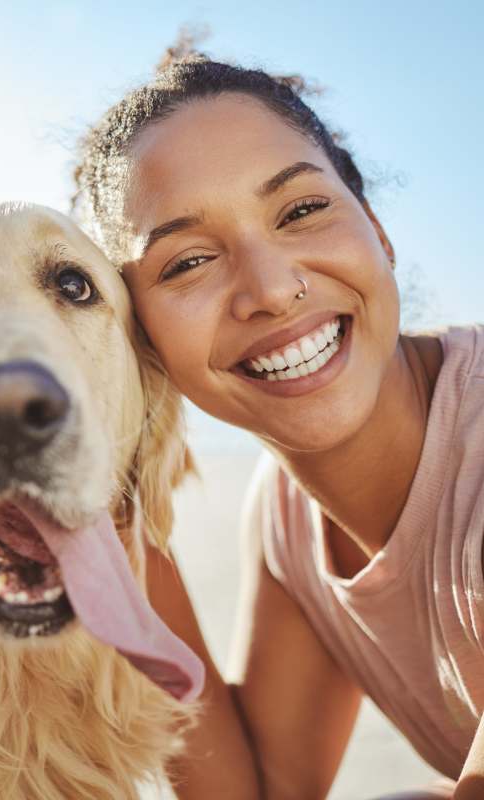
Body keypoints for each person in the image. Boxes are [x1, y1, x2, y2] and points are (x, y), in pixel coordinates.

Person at [73, 44, 482, 800]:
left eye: (300, 211)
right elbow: (260, 792)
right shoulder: (290, 513)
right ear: (142, 343)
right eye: (188, 262)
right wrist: (113, 506)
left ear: (379, 233)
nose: (271, 288)